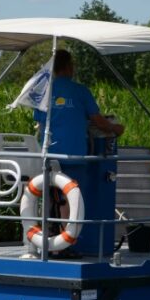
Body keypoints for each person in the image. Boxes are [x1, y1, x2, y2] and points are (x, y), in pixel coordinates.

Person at [27, 49, 124, 257]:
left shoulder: (44, 91)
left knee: (52, 197)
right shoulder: (80, 91)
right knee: (70, 196)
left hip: (49, 153)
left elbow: (39, 119)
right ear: (69, 66)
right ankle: (66, 245)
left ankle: (49, 242)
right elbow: (97, 120)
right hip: (73, 154)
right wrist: (115, 129)